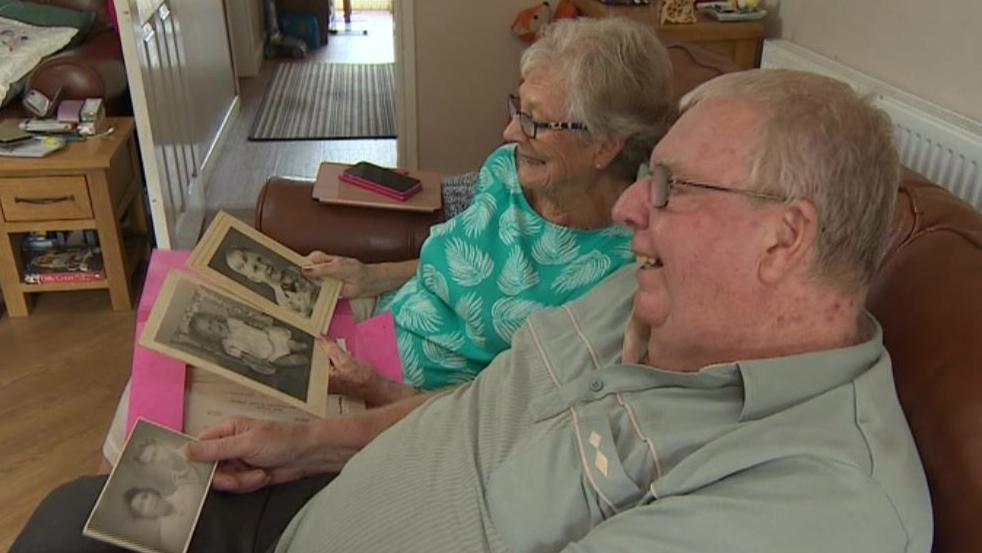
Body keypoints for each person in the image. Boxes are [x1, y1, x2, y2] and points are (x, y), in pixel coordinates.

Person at [11, 68, 932, 553]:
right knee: (75, 514)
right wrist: (310, 444)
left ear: (785, 237)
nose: (626, 209)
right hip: (310, 506)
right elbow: (486, 401)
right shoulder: (648, 289)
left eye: (670, 187)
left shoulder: (817, 498)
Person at [305, 17, 675, 405]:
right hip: (376, 324)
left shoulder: (624, 271)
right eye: (518, 108)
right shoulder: (508, 170)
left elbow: (514, 417)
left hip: (407, 405)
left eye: (535, 121)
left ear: (604, 146)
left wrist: (379, 391)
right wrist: (370, 277)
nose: (511, 133)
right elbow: (475, 265)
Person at [187, 312, 310, 375]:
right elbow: (246, 356)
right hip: (264, 353)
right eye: (210, 328)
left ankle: (299, 346)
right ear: (210, 337)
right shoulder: (228, 346)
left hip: (267, 336)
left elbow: (249, 322)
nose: (214, 325)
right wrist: (260, 362)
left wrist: (262, 325)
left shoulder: (231, 322)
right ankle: (298, 360)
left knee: (287, 342)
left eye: (211, 321)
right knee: (282, 360)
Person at [224, 248, 318, 317]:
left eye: (260, 259)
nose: (265, 266)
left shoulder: (292, 269)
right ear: (255, 279)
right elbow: (306, 318)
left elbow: (317, 280)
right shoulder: (283, 301)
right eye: (256, 268)